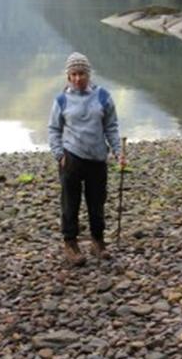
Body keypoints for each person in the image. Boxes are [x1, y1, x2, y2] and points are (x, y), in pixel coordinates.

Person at [48, 52, 125, 266]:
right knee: (70, 203)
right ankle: (70, 244)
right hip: (71, 158)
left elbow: (111, 126)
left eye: (81, 74)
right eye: (73, 74)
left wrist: (118, 151)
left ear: (88, 74)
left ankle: (97, 242)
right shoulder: (61, 100)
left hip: (98, 158)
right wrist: (59, 154)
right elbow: (54, 129)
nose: (77, 79)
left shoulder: (102, 96)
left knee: (97, 202)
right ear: (68, 76)